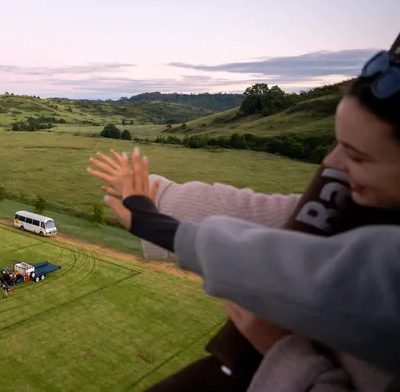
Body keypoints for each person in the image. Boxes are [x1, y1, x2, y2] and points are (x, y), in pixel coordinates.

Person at [87, 48, 400, 392]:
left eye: (357, 155)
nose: (330, 162)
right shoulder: (369, 204)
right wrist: (158, 195)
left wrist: (286, 356)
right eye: (336, 144)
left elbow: (321, 273)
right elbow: (280, 216)